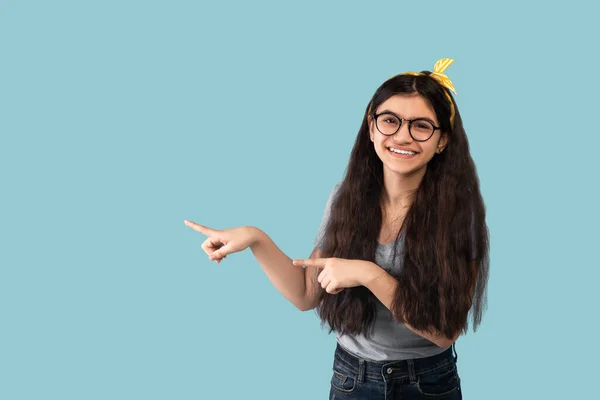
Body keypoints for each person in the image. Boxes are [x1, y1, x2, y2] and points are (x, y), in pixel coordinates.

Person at [184, 58, 489, 399]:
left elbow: (445, 331)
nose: (402, 136)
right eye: (390, 121)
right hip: (352, 379)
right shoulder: (347, 198)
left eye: (421, 126)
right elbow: (305, 295)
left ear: (442, 140)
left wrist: (368, 273)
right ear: (372, 128)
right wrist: (256, 238)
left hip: (429, 383)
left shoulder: (459, 212)